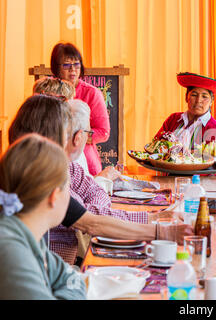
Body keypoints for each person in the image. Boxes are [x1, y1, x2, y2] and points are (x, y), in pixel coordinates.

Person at [8, 95, 193, 264]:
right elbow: (91, 222)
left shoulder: (53, 165)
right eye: (66, 131)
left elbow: (94, 198)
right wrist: (164, 231)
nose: (71, 138)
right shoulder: (37, 176)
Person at [0, 133, 86, 299]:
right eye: (68, 189)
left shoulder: (28, 234)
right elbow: (73, 282)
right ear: (54, 196)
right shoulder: (11, 252)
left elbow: (71, 276)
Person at [32, 77, 121, 189]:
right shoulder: (59, 150)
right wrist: (104, 178)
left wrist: (100, 178)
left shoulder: (30, 138)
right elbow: (78, 197)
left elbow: (80, 188)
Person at [51, 42, 110, 176]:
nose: (73, 69)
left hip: (87, 165)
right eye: (66, 64)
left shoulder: (92, 93)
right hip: (53, 161)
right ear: (56, 67)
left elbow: (103, 132)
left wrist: (72, 138)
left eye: (77, 64)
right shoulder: (47, 90)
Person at [154, 72, 216, 151]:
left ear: (211, 102)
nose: (198, 100)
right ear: (186, 97)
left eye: (204, 96)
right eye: (194, 95)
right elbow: (155, 146)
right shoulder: (173, 119)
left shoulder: (215, 129)